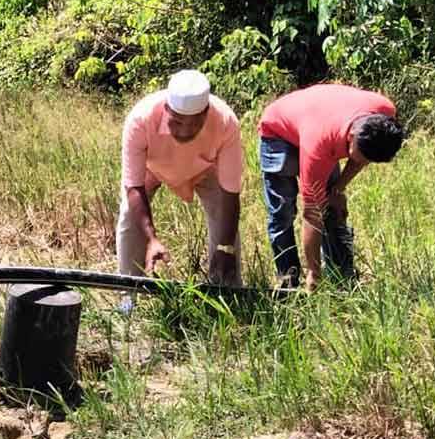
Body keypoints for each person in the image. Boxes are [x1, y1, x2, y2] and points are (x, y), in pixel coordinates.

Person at [258, 84, 404, 290]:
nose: (364, 163)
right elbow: (312, 214)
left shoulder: (384, 114)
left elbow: (361, 158)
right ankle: (288, 281)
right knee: (283, 213)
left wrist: (338, 188)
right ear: (351, 136)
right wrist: (314, 273)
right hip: (278, 131)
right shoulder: (320, 144)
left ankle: (342, 280)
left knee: (333, 209)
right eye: (361, 157)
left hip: (316, 119)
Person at [116, 69, 244, 288]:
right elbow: (134, 187)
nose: (185, 132)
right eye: (177, 122)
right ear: (167, 109)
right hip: (154, 167)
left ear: (206, 112)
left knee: (222, 219)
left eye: (195, 123)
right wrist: (152, 239)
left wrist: (226, 248)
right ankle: (128, 292)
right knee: (130, 215)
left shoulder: (226, 122)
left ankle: (227, 289)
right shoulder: (140, 119)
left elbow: (230, 193)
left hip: (205, 169)